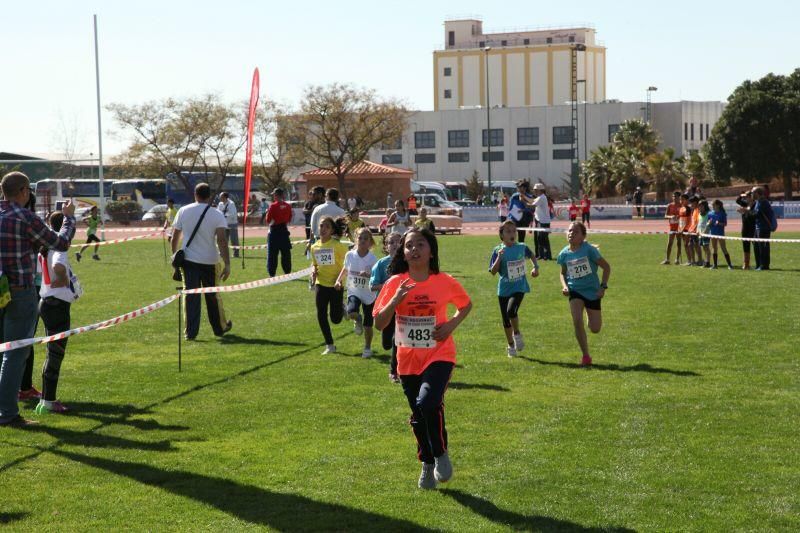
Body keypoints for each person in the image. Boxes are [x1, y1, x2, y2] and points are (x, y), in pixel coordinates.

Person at [373, 228, 472, 489]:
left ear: (431, 251)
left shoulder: (444, 281)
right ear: (403, 254)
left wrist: (451, 325)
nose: (414, 249)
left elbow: (466, 305)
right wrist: (395, 300)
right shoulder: (394, 283)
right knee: (418, 414)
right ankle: (426, 463)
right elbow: (379, 324)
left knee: (428, 403)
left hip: (440, 353)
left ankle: (440, 454)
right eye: (409, 246)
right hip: (407, 359)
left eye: (420, 244)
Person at [0, 171, 76, 427]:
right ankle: (8, 414)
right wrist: (68, 219)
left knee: (4, 352)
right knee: (15, 353)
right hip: (20, 291)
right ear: (23, 191)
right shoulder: (25, 217)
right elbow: (60, 243)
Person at [35, 211, 83, 414]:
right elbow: (58, 266)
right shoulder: (59, 247)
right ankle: (48, 401)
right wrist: (62, 279)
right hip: (57, 304)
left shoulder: (44, 247)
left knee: (52, 352)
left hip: (46, 301)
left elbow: (41, 270)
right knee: (56, 354)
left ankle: (46, 399)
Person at [172, 182, 232, 340]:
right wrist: (227, 264)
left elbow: (174, 237)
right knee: (212, 295)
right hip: (210, 261)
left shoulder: (183, 211)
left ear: (195, 194)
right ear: (209, 195)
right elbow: (222, 240)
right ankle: (220, 327)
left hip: (189, 260)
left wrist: (175, 259)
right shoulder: (216, 214)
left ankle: (190, 333)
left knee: (191, 296)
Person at [556, 221, 611, 367]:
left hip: (592, 291)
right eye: (569, 231)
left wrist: (603, 287)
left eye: (575, 232)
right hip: (575, 291)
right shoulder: (564, 254)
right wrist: (565, 286)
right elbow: (562, 273)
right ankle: (586, 356)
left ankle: (589, 312)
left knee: (595, 329)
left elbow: (606, 267)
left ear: (583, 236)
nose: (571, 234)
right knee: (576, 320)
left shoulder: (589, 250)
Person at [489, 220, 539, 358]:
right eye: (508, 231)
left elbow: (532, 255)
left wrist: (535, 267)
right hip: (504, 289)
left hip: (519, 286)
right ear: (502, 235)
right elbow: (493, 271)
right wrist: (499, 257)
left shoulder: (522, 247)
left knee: (511, 311)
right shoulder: (497, 250)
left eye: (513, 231)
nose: (512, 234)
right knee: (505, 320)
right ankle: (511, 346)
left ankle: (516, 333)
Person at [335, 228, 378, 358]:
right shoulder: (350, 255)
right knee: (351, 311)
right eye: (360, 238)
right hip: (354, 290)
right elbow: (345, 269)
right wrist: (338, 281)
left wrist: (369, 274)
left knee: (368, 325)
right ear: (355, 239)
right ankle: (357, 318)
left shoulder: (372, 259)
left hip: (369, 294)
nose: (362, 241)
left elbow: (376, 277)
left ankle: (367, 348)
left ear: (370, 242)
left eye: (366, 239)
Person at [310, 216, 348, 354]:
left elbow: (347, 265)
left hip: (336, 285)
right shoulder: (315, 247)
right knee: (321, 314)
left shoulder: (337, 246)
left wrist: (339, 279)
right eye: (321, 226)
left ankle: (342, 307)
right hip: (321, 284)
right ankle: (330, 345)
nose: (323, 229)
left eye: (327, 226)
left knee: (336, 319)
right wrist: (313, 271)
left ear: (332, 230)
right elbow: (315, 264)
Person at [370, 232, 403, 383]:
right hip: (385, 307)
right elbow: (372, 286)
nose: (395, 245)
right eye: (391, 242)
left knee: (398, 339)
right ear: (386, 246)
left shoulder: (406, 263)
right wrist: (390, 285)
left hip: (402, 307)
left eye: (398, 242)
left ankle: (394, 371)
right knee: (386, 343)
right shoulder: (381, 264)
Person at [19, 189, 42, 401]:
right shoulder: (30, 221)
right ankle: (24, 388)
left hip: (7, 284)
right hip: (28, 286)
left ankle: (22, 387)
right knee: (25, 339)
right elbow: (57, 243)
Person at [265, 188, 293, 277]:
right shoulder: (288, 206)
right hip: (284, 231)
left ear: (276, 195)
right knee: (286, 254)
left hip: (274, 231)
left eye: (274, 195)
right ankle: (287, 272)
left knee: (272, 254)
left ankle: (272, 273)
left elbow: (268, 220)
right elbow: (289, 218)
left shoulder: (273, 206)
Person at [752, 187, 775, 271]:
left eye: (753, 192)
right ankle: (758, 264)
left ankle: (764, 265)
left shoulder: (764, 202)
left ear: (757, 193)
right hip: (757, 227)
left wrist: (747, 212)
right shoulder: (758, 201)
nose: (752, 194)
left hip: (763, 228)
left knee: (763, 247)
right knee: (756, 247)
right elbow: (755, 213)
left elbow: (757, 214)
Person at [707, 199, 733, 269]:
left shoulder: (722, 213)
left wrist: (719, 223)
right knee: (714, 248)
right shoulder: (710, 213)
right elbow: (708, 223)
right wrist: (709, 223)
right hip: (712, 233)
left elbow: (725, 224)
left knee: (723, 248)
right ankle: (715, 265)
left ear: (718, 205)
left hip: (720, 233)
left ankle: (730, 265)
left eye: (713, 205)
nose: (712, 206)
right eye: (712, 205)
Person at [735, 190, 756, 269]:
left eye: (747, 197)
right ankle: (746, 264)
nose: (746, 198)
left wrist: (745, 211)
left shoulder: (755, 205)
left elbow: (754, 214)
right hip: (745, 228)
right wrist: (742, 194)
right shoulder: (745, 204)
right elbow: (737, 200)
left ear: (752, 197)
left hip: (753, 228)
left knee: (756, 246)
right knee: (745, 246)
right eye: (745, 197)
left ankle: (759, 263)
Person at [532, 183, 552, 260]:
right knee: (540, 238)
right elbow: (532, 201)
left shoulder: (541, 198)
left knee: (543, 239)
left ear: (540, 190)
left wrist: (523, 201)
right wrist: (524, 197)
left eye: (536, 190)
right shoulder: (540, 197)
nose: (534, 191)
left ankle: (547, 255)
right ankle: (542, 255)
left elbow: (532, 205)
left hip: (543, 221)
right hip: (541, 221)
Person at [217, 192, 240, 258]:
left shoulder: (231, 204)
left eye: (221, 197)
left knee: (234, 239)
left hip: (232, 224)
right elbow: (218, 212)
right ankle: (222, 253)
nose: (219, 198)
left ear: (225, 197)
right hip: (224, 224)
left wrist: (223, 215)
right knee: (223, 239)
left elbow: (232, 214)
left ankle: (236, 254)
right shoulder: (220, 204)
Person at [662, 191, 682, 265]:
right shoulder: (669, 205)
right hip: (672, 226)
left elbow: (684, 216)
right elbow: (665, 216)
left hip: (679, 226)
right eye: (673, 196)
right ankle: (667, 259)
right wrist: (671, 216)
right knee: (670, 243)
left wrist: (679, 217)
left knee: (679, 243)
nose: (674, 198)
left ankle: (677, 259)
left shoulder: (681, 205)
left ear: (679, 197)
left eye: (676, 196)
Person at [677, 193, 694, 265]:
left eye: (682, 199)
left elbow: (687, 221)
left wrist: (682, 230)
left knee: (687, 244)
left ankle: (691, 260)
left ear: (687, 200)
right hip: (681, 230)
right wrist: (679, 229)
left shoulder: (688, 209)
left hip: (686, 229)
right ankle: (689, 260)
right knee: (685, 245)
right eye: (680, 199)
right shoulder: (681, 208)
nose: (681, 201)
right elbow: (681, 220)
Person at [697, 200, 712, 268]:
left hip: (706, 234)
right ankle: (706, 261)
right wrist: (697, 231)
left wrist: (705, 232)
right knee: (704, 248)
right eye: (699, 206)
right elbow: (699, 224)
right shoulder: (699, 214)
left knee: (706, 247)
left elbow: (709, 224)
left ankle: (707, 262)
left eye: (701, 206)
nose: (700, 207)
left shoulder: (709, 214)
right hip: (700, 234)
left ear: (705, 206)